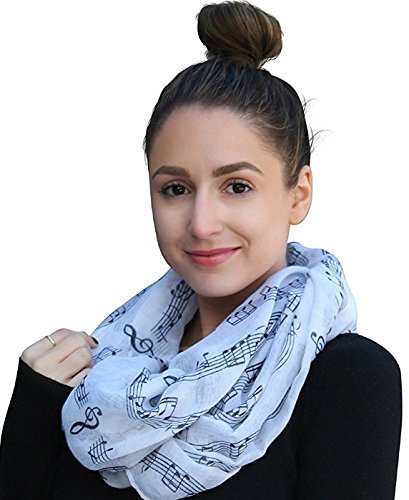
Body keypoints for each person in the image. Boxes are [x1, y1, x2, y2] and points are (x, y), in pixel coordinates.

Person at [0, 1, 402, 499]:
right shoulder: (96, 375)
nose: (201, 224)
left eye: (237, 186)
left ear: (298, 195)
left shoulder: (346, 379)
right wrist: (34, 415)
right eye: (176, 189)